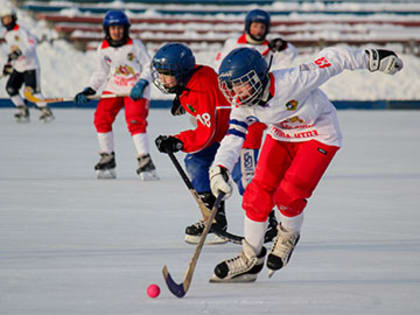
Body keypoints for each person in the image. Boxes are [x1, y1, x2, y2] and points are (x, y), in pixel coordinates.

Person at [208, 46, 403, 282]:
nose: (236, 93)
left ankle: (288, 234)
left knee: (289, 194)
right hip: (282, 135)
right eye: (231, 87)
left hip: (319, 134)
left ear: (259, 76)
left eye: (242, 83)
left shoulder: (293, 80)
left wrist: (372, 58)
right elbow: (233, 137)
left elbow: (334, 59)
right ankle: (250, 258)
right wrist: (219, 169)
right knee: (256, 193)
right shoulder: (243, 104)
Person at [133, 42, 231, 244]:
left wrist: (177, 141)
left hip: (237, 138)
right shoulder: (194, 77)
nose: (162, 79)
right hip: (224, 135)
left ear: (182, 72)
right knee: (196, 162)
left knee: (239, 176)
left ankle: (267, 222)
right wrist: (182, 93)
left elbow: (205, 135)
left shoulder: (201, 91)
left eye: (167, 74)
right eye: (160, 74)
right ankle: (214, 219)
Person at [215, 8, 299, 241]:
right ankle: (260, 212)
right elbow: (222, 71)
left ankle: (265, 217)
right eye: (255, 26)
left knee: (247, 167)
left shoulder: (273, 48)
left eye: (262, 27)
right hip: (240, 107)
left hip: (261, 112)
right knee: (233, 163)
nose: (258, 30)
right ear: (247, 26)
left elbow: (285, 68)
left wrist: (285, 48)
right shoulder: (233, 43)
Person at [74, 10, 158, 180]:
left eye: (120, 28)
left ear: (126, 29)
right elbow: (101, 72)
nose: (116, 31)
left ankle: (144, 158)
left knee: (134, 119)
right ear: (107, 30)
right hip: (114, 88)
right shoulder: (103, 49)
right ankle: (107, 156)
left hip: (135, 90)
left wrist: (142, 83)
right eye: (112, 28)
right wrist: (89, 89)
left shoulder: (135, 46)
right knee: (101, 118)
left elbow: (150, 66)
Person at [1, 7, 54, 123]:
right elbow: (11, 53)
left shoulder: (22, 31)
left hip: (31, 66)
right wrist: (9, 65)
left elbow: (32, 43)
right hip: (18, 67)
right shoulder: (6, 35)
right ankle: (22, 110)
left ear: (14, 18)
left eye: (8, 18)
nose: (6, 21)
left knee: (32, 91)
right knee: (11, 88)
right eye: (4, 19)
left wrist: (20, 52)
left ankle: (45, 110)